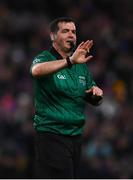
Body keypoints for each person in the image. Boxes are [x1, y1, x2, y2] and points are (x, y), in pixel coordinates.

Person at [30, 17, 103, 179]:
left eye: (74, 32)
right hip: (51, 136)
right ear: (53, 37)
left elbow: (92, 95)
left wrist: (96, 94)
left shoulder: (81, 65)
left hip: (75, 138)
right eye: (65, 31)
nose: (71, 35)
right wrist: (69, 61)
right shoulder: (45, 57)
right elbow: (36, 71)